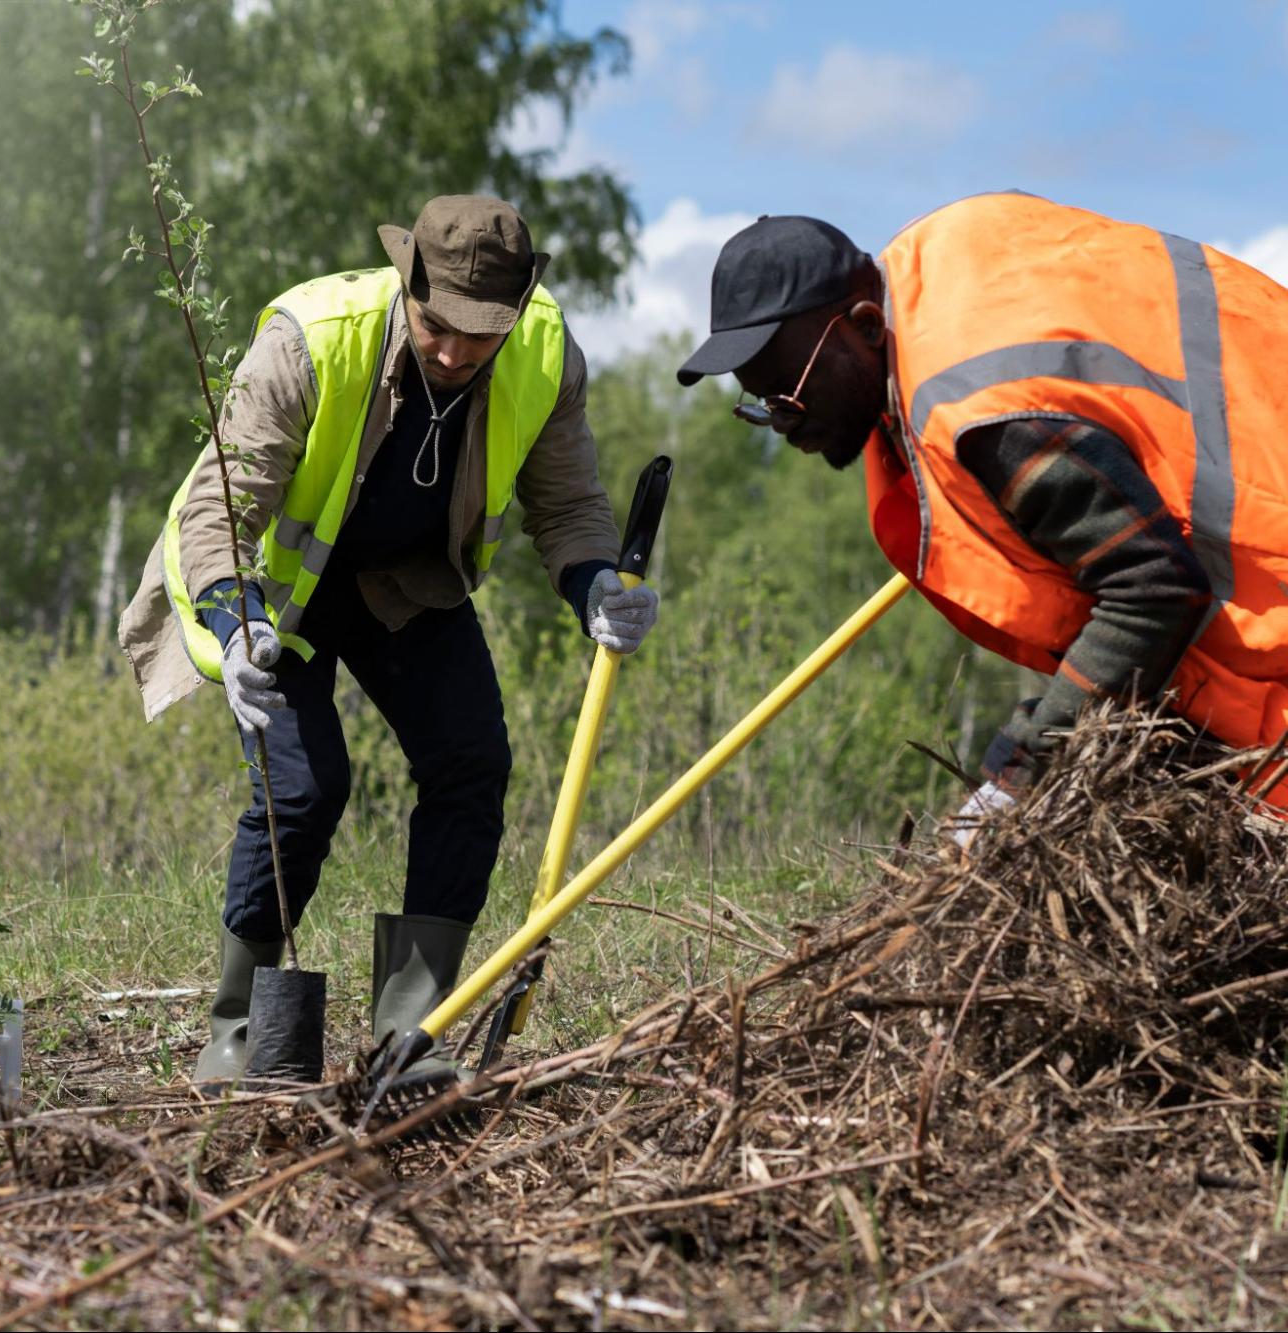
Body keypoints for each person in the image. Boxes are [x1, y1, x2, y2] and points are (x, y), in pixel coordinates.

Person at [121, 195, 661, 1082]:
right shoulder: (310, 337)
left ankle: (409, 1034)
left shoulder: (545, 355)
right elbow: (219, 507)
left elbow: (565, 503)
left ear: (519, 311)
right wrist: (235, 620)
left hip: (407, 588)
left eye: (480, 335)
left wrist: (594, 580)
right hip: (278, 596)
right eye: (436, 324)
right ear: (406, 279)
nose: (453, 353)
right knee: (304, 789)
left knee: (471, 761)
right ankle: (239, 1037)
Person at [674, 192, 1288, 830]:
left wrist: (1019, 774)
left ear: (861, 326)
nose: (781, 425)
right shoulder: (937, 277)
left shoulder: (986, 413)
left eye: (787, 396)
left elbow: (1151, 589)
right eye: (759, 406)